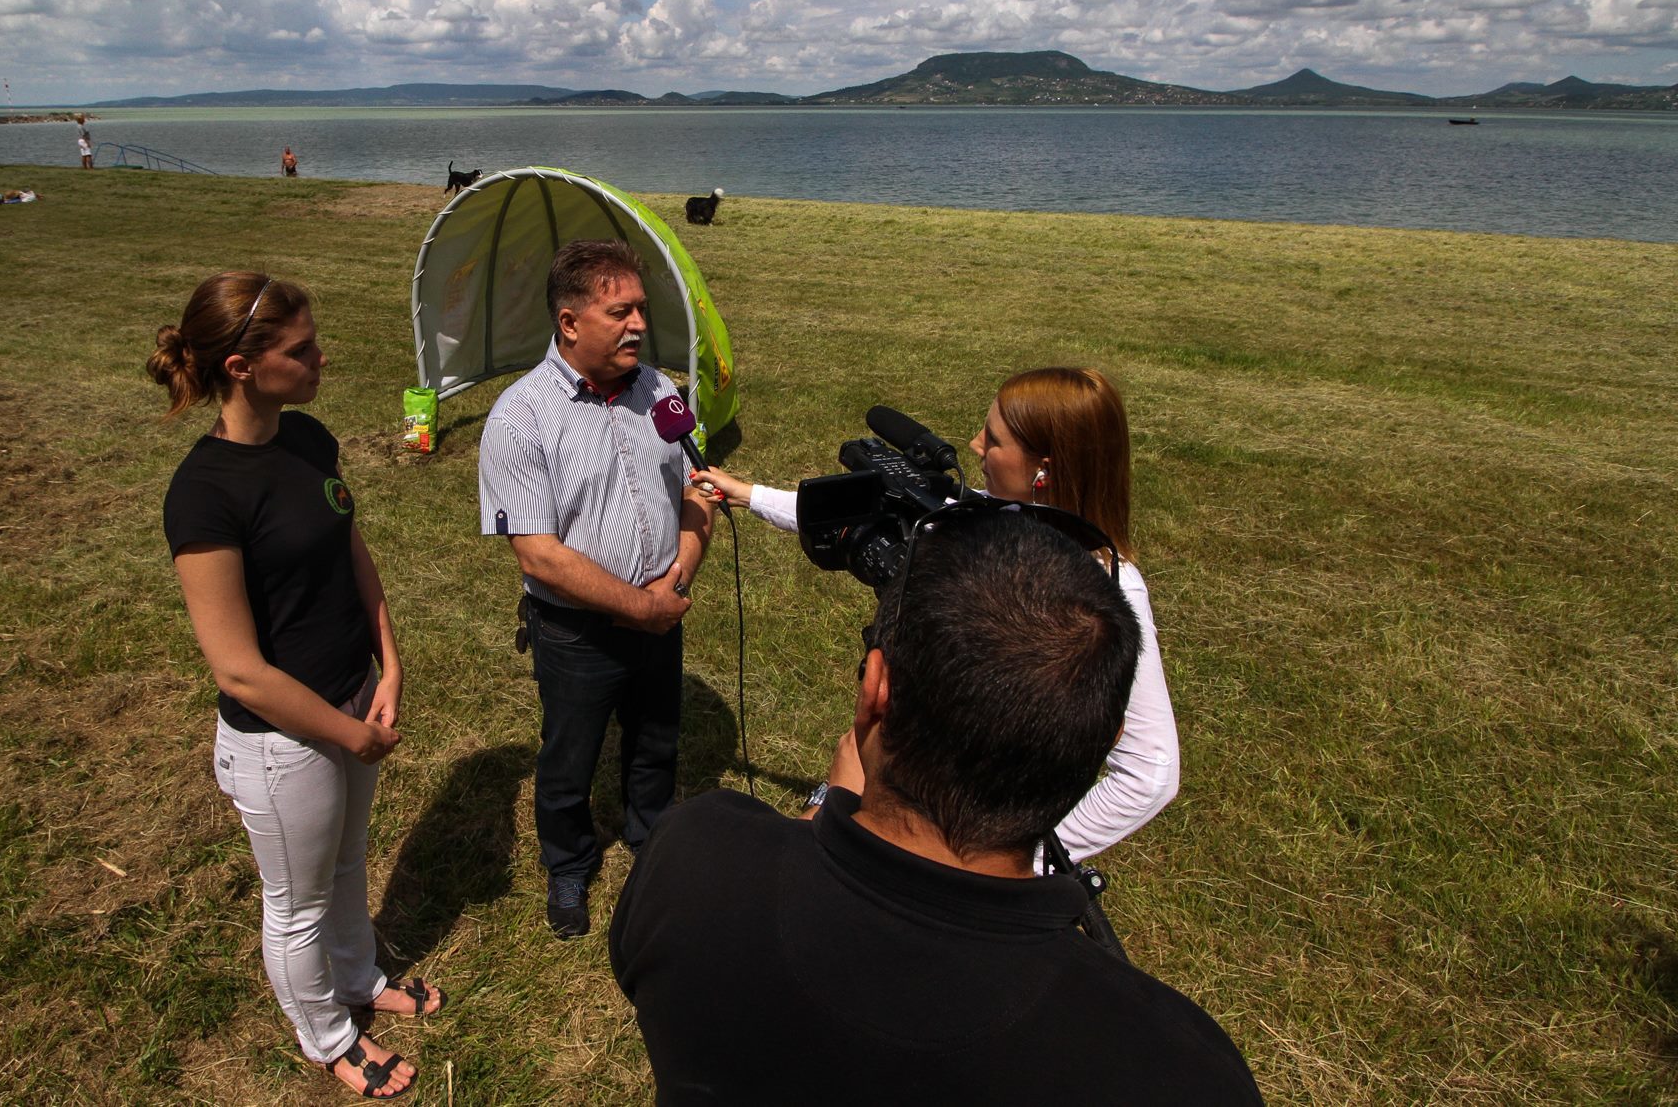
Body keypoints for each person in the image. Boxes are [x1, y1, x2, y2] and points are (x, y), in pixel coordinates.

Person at [609, 507, 1262, 1104]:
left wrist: (826, 807)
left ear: (873, 692)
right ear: (1102, 738)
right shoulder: (1177, 1067)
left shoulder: (693, 859)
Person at [693, 367, 1177, 860]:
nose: (973, 444)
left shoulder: (1111, 591)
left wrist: (1026, 859)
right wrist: (748, 494)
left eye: (993, 439)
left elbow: (1149, 771)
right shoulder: (982, 514)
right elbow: (859, 517)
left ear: (1043, 470)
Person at [152, 272, 440, 1100]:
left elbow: (351, 548)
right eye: (301, 348)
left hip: (354, 695)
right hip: (282, 742)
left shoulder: (309, 439)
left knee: (347, 862)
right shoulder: (204, 495)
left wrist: (388, 662)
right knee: (298, 901)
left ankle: (358, 978)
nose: (323, 356)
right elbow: (238, 666)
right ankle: (331, 1037)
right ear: (241, 366)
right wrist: (347, 732)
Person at [477, 239, 713, 939]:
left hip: (662, 611)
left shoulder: (662, 392)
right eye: (621, 311)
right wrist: (638, 606)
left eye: (641, 307)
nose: (639, 322)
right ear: (570, 321)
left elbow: (699, 489)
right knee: (568, 755)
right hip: (574, 632)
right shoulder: (521, 417)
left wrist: (678, 576)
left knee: (656, 742)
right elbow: (540, 554)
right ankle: (570, 863)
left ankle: (653, 840)